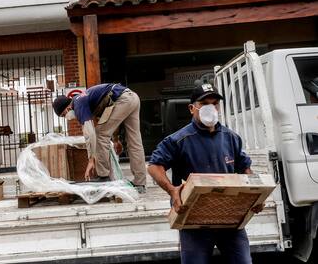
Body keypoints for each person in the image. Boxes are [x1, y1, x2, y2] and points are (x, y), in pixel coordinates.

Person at [147, 83, 262, 264]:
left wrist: (255, 195)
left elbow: (245, 168)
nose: (211, 108)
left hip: (229, 218)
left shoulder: (231, 138)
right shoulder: (179, 140)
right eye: (204, 103)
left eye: (215, 103)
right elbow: (154, 166)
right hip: (194, 219)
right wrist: (171, 190)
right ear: (192, 108)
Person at [52, 83, 146, 193]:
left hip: (122, 100)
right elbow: (109, 117)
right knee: (135, 142)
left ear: (67, 108)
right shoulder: (86, 100)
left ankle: (103, 176)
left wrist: (91, 160)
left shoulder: (78, 104)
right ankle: (140, 183)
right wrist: (115, 140)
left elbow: (89, 134)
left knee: (100, 134)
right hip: (131, 97)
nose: (66, 118)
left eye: (63, 115)